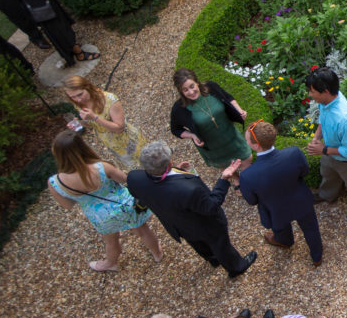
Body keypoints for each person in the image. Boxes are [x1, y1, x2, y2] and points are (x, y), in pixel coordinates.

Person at [127, 141, 257, 279]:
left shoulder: (134, 177)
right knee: (219, 243)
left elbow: (147, 192)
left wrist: (177, 171)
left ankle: (213, 259)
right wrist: (224, 179)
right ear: (169, 164)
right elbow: (211, 205)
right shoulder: (189, 190)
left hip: (178, 225)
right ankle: (236, 267)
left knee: (197, 242)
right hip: (205, 224)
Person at [47, 129, 161, 271]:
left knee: (111, 241)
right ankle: (157, 254)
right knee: (143, 231)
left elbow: (67, 205)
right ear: (83, 147)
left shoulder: (55, 182)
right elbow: (127, 180)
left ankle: (111, 263)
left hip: (100, 216)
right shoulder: (102, 167)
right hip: (125, 205)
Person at [239, 119, 323, 267]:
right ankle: (317, 256)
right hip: (301, 201)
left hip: (275, 210)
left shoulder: (247, 175)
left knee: (281, 227)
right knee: (311, 228)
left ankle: (285, 241)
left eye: (246, 139)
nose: (245, 141)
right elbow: (304, 172)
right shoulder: (294, 153)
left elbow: (252, 201)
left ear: (256, 145)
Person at [305, 67, 347, 220]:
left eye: (312, 91)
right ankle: (327, 195)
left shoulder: (345, 119)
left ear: (325, 91)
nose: (310, 95)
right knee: (328, 175)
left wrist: (324, 149)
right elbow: (322, 120)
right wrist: (317, 137)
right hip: (331, 152)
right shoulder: (326, 102)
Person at [169, 68, 252, 173]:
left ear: (197, 82)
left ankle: (246, 180)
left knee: (247, 159)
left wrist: (239, 110)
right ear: (181, 91)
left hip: (231, 137)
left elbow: (228, 97)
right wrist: (192, 135)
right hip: (212, 147)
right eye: (185, 90)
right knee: (225, 166)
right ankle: (235, 179)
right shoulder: (179, 108)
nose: (191, 92)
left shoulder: (211, 87)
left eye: (192, 86)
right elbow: (175, 129)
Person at [63, 75, 147, 171]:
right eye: (72, 97)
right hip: (110, 143)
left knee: (146, 162)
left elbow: (120, 128)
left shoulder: (109, 100)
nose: (78, 99)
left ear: (88, 87)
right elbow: (91, 124)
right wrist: (80, 123)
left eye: (80, 94)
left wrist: (94, 118)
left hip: (126, 141)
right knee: (133, 168)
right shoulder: (79, 103)